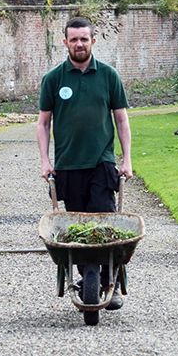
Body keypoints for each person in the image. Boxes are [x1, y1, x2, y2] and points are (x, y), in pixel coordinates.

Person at [37, 17, 133, 309]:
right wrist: (45, 161)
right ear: (65, 42)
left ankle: (112, 281)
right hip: (67, 166)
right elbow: (43, 124)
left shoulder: (108, 76)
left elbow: (120, 118)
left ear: (93, 41)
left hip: (102, 164)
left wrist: (126, 159)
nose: (79, 44)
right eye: (74, 39)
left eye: (84, 39)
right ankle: (85, 275)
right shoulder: (53, 79)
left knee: (106, 224)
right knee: (76, 228)